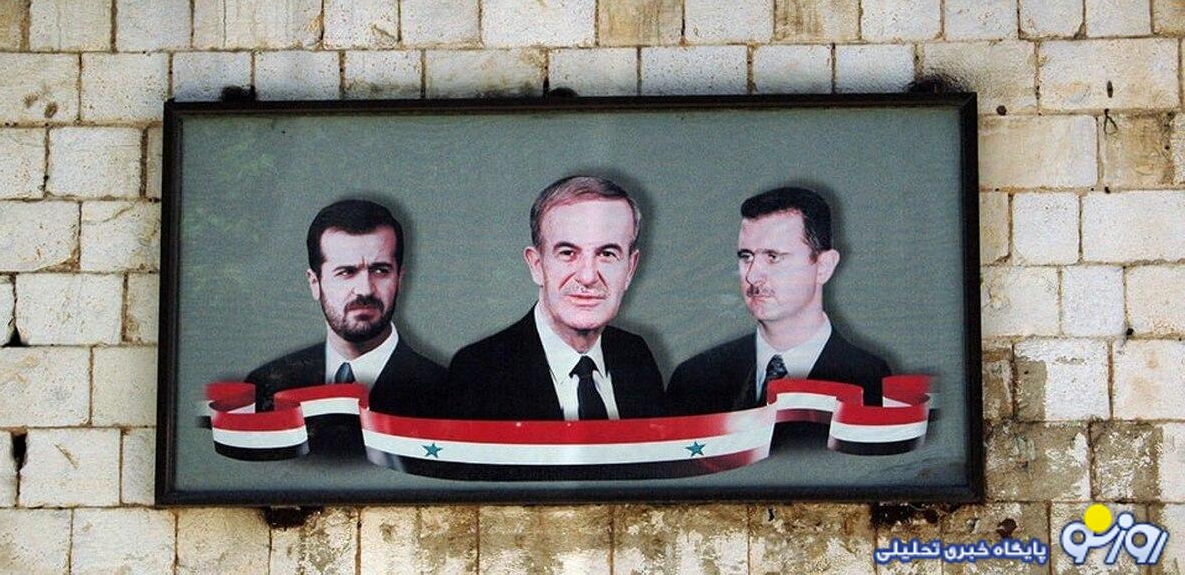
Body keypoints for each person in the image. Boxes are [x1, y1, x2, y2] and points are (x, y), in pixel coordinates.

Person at [447, 176, 665, 420]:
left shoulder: (636, 356)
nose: (587, 276)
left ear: (630, 269)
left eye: (606, 254)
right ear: (536, 265)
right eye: (568, 253)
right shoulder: (478, 373)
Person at [246, 199, 446, 458]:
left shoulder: (447, 394)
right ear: (314, 283)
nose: (365, 289)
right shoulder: (266, 387)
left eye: (380, 270)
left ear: (399, 279)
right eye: (346, 272)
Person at [667, 187, 891, 417]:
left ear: (824, 267)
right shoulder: (695, 380)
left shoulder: (870, 384)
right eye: (746, 257)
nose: (752, 276)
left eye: (773, 257)